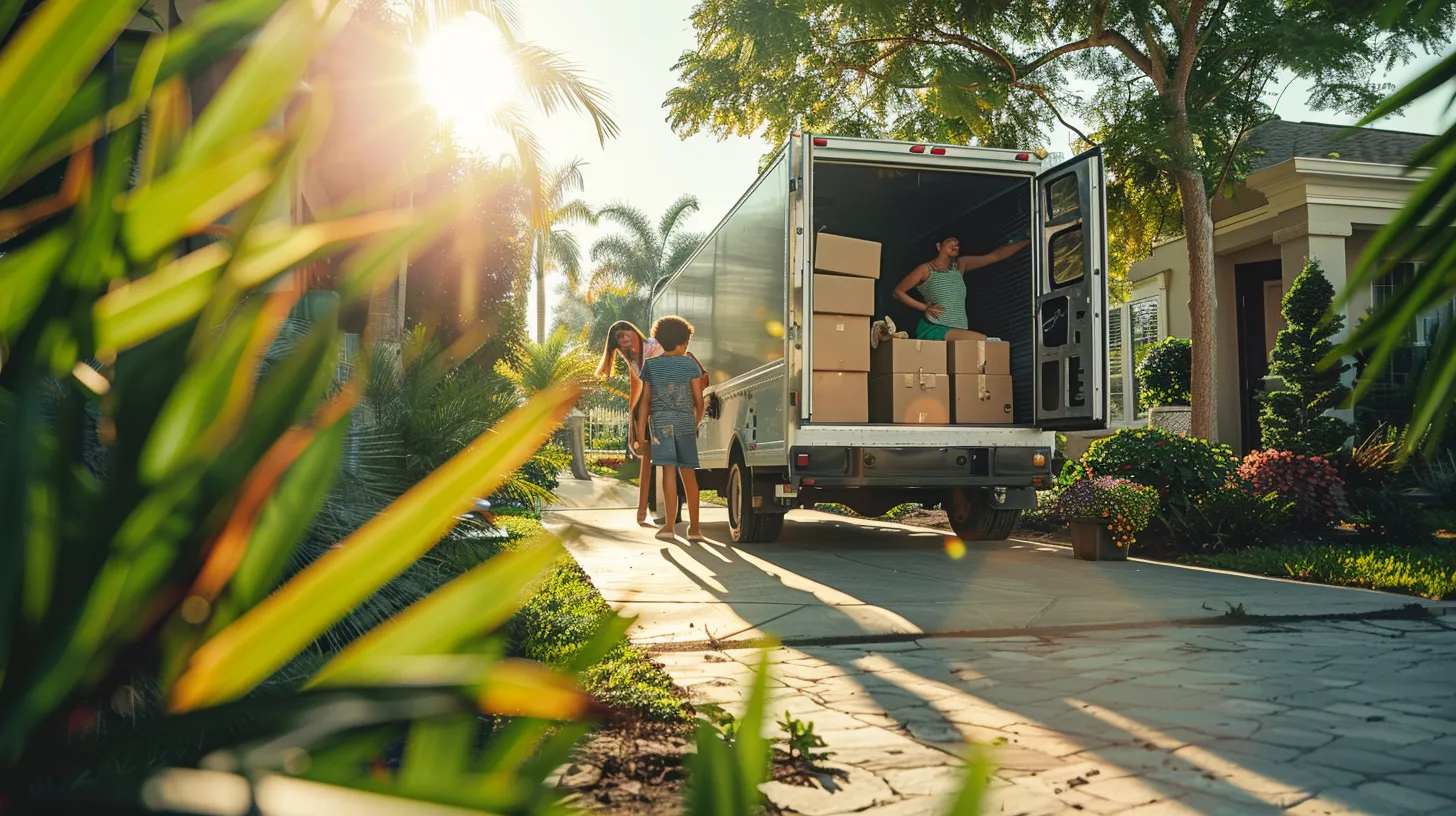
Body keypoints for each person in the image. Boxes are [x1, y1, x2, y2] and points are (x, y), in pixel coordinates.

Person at [597, 320, 707, 525]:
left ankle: (669, 514)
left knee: (671, 467)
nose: (623, 340)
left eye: (624, 334)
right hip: (658, 411)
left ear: (634, 331)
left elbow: (673, 382)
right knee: (652, 461)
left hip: (668, 410)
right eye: (618, 340)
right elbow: (637, 386)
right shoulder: (632, 356)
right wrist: (635, 417)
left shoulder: (654, 349)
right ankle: (645, 509)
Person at [636, 316, 706, 541]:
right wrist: (693, 423)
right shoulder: (690, 365)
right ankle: (694, 529)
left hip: (660, 424)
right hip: (685, 422)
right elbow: (699, 401)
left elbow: (645, 401)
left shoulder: (652, 366)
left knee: (668, 471)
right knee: (688, 474)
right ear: (684, 341)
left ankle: (668, 527)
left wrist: (639, 433)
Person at [892, 234, 1031, 342]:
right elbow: (898, 292)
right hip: (935, 328)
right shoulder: (926, 269)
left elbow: (996, 256)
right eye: (950, 241)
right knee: (988, 342)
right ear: (939, 246)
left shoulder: (960, 265)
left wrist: (1029, 240)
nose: (955, 245)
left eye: (957, 243)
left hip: (958, 328)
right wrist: (924, 307)